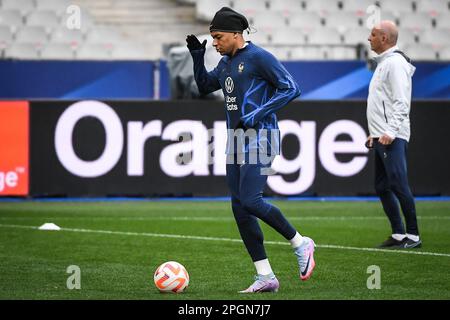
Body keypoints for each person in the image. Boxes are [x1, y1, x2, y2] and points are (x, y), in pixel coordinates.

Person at [186, 7, 316, 293]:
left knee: (251, 200)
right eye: (213, 38)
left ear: (236, 34)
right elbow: (205, 86)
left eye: (218, 37)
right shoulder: (225, 63)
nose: (215, 43)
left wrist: (257, 114)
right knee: (239, 207)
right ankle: (265, 275)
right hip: (235, 140)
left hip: (263, 137)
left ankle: (300, 242)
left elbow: (291, 88)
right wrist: (197, 56)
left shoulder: (259, 58)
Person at [366, 21, 421, 249]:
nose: (369, 38)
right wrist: (374, 133)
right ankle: (399, 234)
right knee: (382, 186)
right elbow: (383, 102)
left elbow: (401, 101)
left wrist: (389, 131)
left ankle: (414, 235)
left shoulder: (395, 64)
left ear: (384, 39)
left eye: (373, 34)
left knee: (398, 184)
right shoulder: (385, 64)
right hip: (381, 135)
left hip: (392, 136)